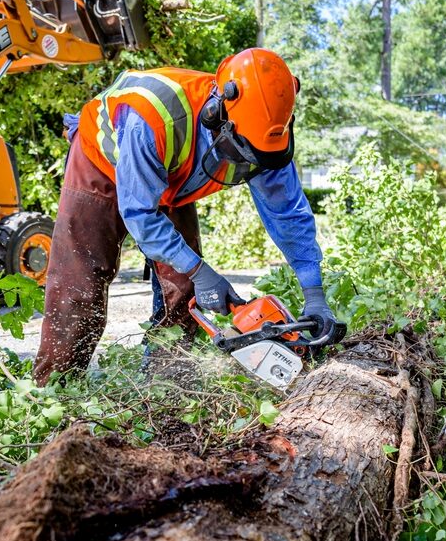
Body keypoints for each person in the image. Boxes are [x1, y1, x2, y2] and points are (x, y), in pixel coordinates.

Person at [33, 48, 341, 385]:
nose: (246, 164)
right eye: (239, 153)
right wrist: (201, 269)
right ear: (216, 113)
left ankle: (165, 384)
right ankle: (54, 390)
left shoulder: (264, 132)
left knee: (185, 290)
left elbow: (288, 214)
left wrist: (315, 294)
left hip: (172, 178)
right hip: (100, 165)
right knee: (79, 283)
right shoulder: (152, 118)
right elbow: (140, 214)